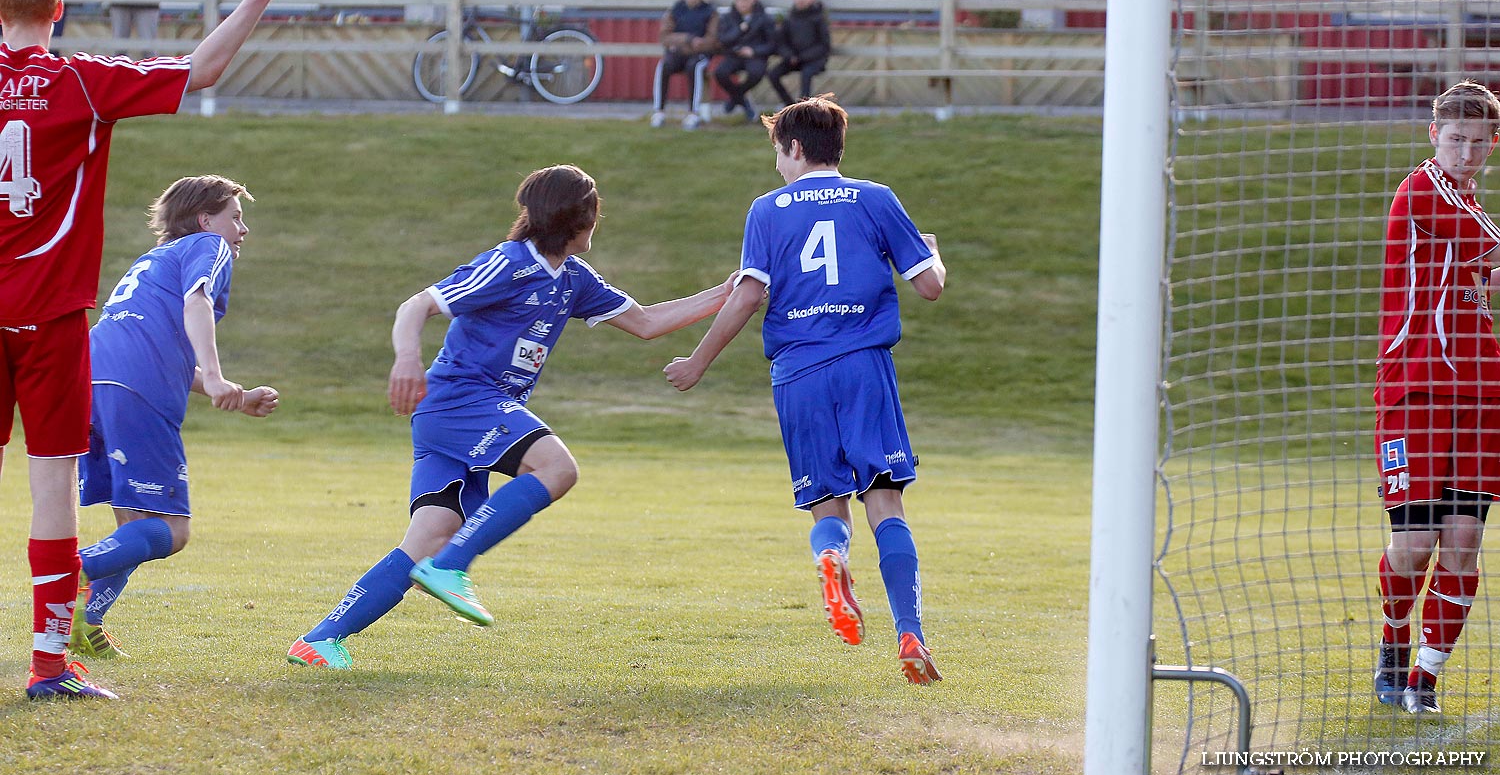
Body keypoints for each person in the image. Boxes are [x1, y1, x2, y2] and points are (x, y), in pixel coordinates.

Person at [0, 0, 320, 700]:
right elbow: (202, 69)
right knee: (50, 492)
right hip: (50, 323)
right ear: (62, 11)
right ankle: (48, 668)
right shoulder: (80, 81)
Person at [287, 165, 733, 669]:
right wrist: (407, 360)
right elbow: (416, 306)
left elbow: (647, 322)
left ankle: (321, 639)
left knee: (427, 537)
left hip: (465, 415)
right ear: (578, 219)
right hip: (461, 401)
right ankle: (453, 566)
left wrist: (725, 292)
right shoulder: (507, 264)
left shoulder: (574, 279)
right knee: (557, 469)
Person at [663, 97, 947, 685]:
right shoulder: (876, 198)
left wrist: (697, 361)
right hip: (864, 366)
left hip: (798, 372)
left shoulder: (768, 211)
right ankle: (909, 630)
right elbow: (930, 288)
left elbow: (746, 295)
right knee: (885, 502)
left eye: (776, 153)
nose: (776, 166)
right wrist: (934, 253)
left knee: (828, 503)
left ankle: (831, 556)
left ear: (793, 148)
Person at [71, 176, 279, 661]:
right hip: (137, 390)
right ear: (207, 219)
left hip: (92, 382)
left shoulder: (152, 261)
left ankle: (88, 621)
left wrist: (233, 393)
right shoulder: (208, 245)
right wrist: (219, 373)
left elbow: (159, 350)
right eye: (236, 217)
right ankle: (71, 570)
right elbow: (197, 301)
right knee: (172, 530)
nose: (242, 229)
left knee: (134, 522)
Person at [1373, 79, 1500, 715]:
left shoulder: (1472, 208)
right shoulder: (1424, 187)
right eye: (1457, 139)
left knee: (1464, 543)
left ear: (1493, 143)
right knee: (1415, 545)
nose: (1468, 151)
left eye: (1480, 142)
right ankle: (1394, 645)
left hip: (1479, 393)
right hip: (1414, 388)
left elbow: (1487, 272)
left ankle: (1424, 680)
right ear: (1434, 135)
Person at [651, 0, 718, 131]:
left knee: (694, 67)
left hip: (700, 56)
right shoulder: (675, 10)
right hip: (680, 53)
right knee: (664, 65)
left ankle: (693, 114)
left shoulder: (710, 12)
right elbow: (664, 37)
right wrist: (688, 39)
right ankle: (659, 112)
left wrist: (681, 42)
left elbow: (711, 41)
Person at [713, 0, 777, 122]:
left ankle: (735, 98)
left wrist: (753, 51)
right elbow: (723, 39)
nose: (742, 2)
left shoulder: (764, 18)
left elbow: (772, 44)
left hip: (755, 56)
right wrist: (739, 31)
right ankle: (743, 101)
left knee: (756, 72)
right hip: (734, 55)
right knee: (720, 72)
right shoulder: (728, 17)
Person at [766, 0, 831, 107]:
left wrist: (802, 57)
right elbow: (781, 42)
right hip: (793, 59)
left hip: (814, 60)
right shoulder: (789, 18)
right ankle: (789, 106)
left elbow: (824, 45)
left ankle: (804, 110)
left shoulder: (819, 18)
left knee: (806, 74)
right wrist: (789, 56)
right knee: (773, 74)